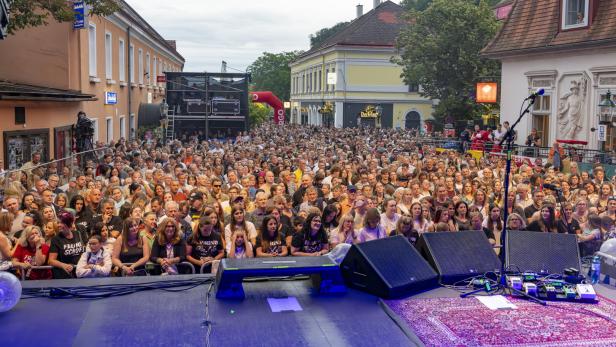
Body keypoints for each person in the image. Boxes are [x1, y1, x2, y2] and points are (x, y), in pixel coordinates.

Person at [48, 212, 87, 279]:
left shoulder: (78, 234)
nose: (58, 225)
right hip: (64, 275)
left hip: (79, 272)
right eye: (58, 223)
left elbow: (84, 251)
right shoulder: (56, 239)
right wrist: (63, 265)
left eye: (61, 223)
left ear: (69, 224)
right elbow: (51, 261)